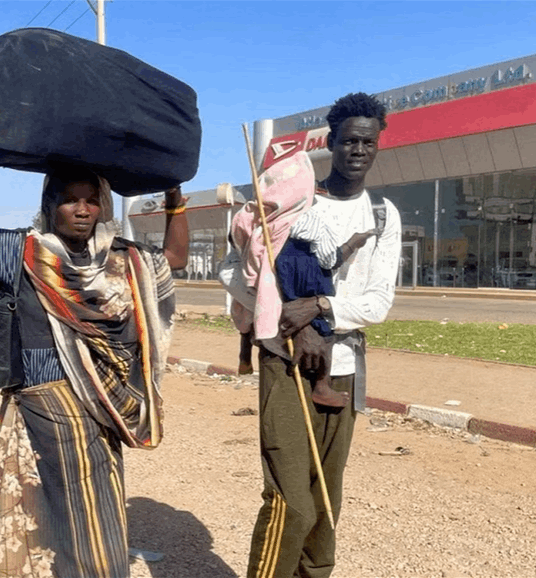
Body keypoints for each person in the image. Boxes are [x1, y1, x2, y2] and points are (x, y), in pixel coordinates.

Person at [0, 133, 188, 578]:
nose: (81, 210)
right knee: (37, 523)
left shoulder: (123, 260)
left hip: (101, 414)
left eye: (91, 200)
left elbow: (174, 256)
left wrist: (174, 194)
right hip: (40, 413)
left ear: (104, 207)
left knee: (97, 527)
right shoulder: (21, 251)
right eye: (70, 200)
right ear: (49, 203)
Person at [221, 92, 402, 578]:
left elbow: (378, 303)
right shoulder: (291, 199)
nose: (358, 150)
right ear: (331, 143)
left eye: (367, 141)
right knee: (290, 498)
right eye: (348, 141)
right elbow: (233, 270)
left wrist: (321, 306)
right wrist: (286, 320)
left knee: (326, 497)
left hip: (342, 368)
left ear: (378, 143)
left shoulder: (382, 216)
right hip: (284, 362)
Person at [229, 151, 377, 408]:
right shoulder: (310, 219)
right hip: (309, 284)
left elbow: (243, 248)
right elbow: (330, 258)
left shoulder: (266, 223)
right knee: (325, 333)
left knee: (246, 322)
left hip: (281, 286)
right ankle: (322, 386)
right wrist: (354, 242)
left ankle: (244, 357)